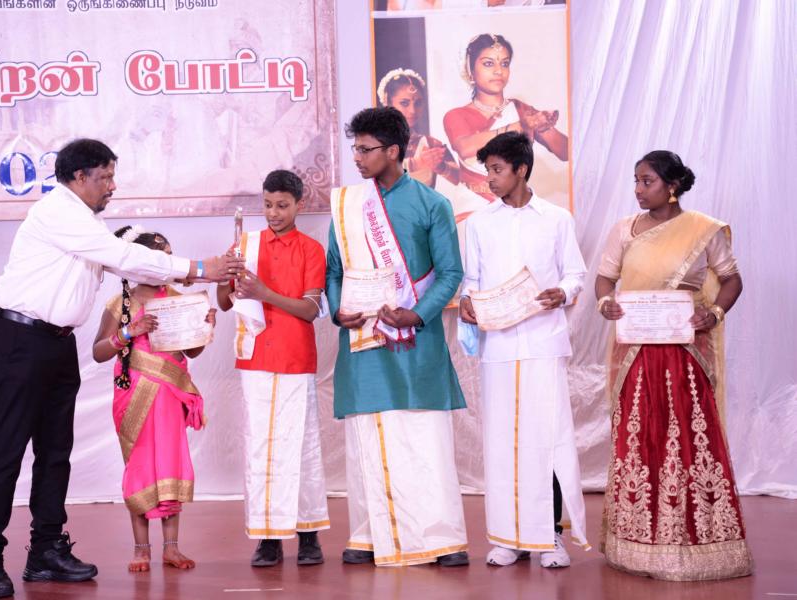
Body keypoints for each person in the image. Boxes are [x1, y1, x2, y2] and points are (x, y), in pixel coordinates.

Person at [0, 138, 243, 599]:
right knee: (7, 449)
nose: (112, 186)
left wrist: (196, 280)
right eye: (106, 177)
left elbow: (132, 262)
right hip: (18, 338)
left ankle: (45, 550)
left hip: (57, 343)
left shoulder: (88, 224)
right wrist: (198, 267)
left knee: (56, 452)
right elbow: (126, 257)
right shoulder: (58, 212)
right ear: (79, 177)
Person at [595, 150, 752, 581]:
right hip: (636, 354)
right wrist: (606, 302)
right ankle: (635, 545)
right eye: (636, 180)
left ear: (673, 186)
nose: (638, 189)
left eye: (647, 181)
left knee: (686, 439)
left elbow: (732, 279)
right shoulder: (624, 230)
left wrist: (714, 313)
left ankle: (698, 541)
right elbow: (605, 278)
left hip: (684, 353)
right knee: (639, 437)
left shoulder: (703, 229)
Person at [326, 107, 469, 567]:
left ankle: (442, 538)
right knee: (367, 438)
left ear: (393, 151)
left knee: (422, 435)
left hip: (415, 339)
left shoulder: (432, 204)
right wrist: (339, 310)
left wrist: (417, 313)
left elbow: (450, 273)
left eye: (365, 149)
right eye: (355, 148)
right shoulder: (347, 206)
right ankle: (368, 534)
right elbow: (334, 270)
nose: (357, 157)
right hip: (363, 341)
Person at [459, 131, 589, 568]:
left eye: (497, 170)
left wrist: (562, 293)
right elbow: (471, 281)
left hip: (543, 344)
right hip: (498, 347)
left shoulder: (556, 219)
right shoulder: (480, 224)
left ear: (522, 169)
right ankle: (508, 537)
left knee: (546, 439)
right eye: (487, 170)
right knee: (502, 442)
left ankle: (550, 537)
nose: (490, 179)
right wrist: (466, 301)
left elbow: (575, 274)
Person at [216, 170, 330, 567]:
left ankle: (309, 534)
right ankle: (267, 538)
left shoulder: (312, 250)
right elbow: (225, 302)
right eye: (267, 205)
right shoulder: (246, 244)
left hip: (295, 357)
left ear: (300, 204)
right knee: (259, 446)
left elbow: (310, 309)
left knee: (301, 444)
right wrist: (228, 275)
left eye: (282, 205)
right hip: (255, 358)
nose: (273, 213)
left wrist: (265, 293)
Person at [92, 226, 216, 572]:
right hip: (135, 395)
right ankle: (141, 549)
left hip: (169, 396)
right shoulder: (122, 304)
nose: (166, 264)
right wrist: (129, 332)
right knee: (141, 466)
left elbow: (191, 351)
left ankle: (172, 549)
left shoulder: (178, 298)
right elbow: (99, 352)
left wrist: (204, 327)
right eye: (158, 258)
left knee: (170, 464)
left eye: (169, 257)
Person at [443, 33, 568, 201]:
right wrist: (520, 127)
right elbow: (465, 148)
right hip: (473, 205)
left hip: (514, 203)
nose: (498, 71)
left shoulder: (520, 110)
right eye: (488, 63)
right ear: (470, 71)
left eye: (504, 63)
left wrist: (544, 126)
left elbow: (566, 152)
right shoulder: (456, 115)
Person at [377, 68, 460, 190]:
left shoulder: (430, 144)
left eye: (418, 103)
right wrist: (416, 163)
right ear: (388, 104)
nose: (413, 110)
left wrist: (441, 167)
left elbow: (459, 178)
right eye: (404, 103)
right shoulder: (376, 143)